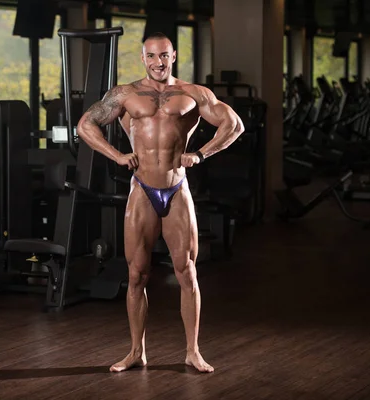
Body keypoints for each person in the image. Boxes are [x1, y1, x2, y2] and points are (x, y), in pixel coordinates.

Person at [76, 31, 244, 373]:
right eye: (151, 56)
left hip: (177, 189)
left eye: (164, 55)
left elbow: (234, 124)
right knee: (136, 275)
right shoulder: (124, 94)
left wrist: (200, 153)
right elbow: (85, 125)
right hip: (142, 190)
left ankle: (192, 351)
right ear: (142, 58)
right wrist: (116, 155)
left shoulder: (193, 94)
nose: (158, 62)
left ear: (174, 56)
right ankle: (136, 351)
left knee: (187, 273)